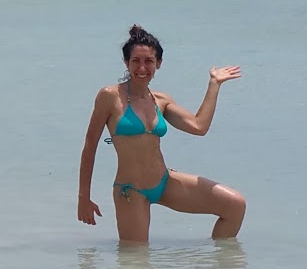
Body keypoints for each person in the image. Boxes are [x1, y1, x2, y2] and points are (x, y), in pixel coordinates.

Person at [76, 24, 247, 243]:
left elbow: (199, 127)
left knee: (235, 206)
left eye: (149, 61)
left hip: (164, 181)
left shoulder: (160, 100)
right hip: (132, 192)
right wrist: (84, 197)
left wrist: (214, 84)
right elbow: (90, 146)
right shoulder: (110, 96)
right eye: (136, 61)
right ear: (126, 63)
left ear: (159, 63)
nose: (142, 68)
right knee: (136, 266)